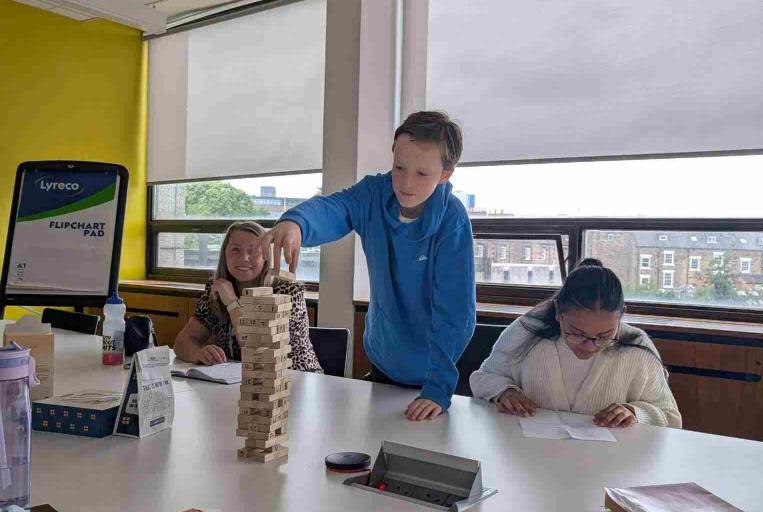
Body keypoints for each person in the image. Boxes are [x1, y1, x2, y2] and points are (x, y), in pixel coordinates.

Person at [260, 111, 475, 421]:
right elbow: (336, 208)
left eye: (422, 174)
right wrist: (296, 223)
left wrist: (438, 388)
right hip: (383, 359)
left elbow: (455, 311)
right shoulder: (373, 193)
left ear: (445, 174)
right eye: (399, 168)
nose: (406, 182)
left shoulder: (452, 220)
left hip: (433, 373)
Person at [470, 258, 681, 428]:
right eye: (577, 334)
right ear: (558, 311)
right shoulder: (526, 332)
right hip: (531, 454)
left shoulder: (637, 347)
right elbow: (484, 377)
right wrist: (504, 391)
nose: (590, 346)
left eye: (604, 336)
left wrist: (635, 412)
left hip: (610, 460)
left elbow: (670, 417)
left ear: (621, 316)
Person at [174, 221, 323, 373]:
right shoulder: (218, 288)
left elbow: (257, 350)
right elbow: (182, 342)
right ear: (224, 254)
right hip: (240, 379)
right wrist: (199, 353)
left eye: (253, 251)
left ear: (266, 255)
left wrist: (232, 303)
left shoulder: (288, 292)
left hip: (294, 377)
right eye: (235, 250)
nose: (244, 258)